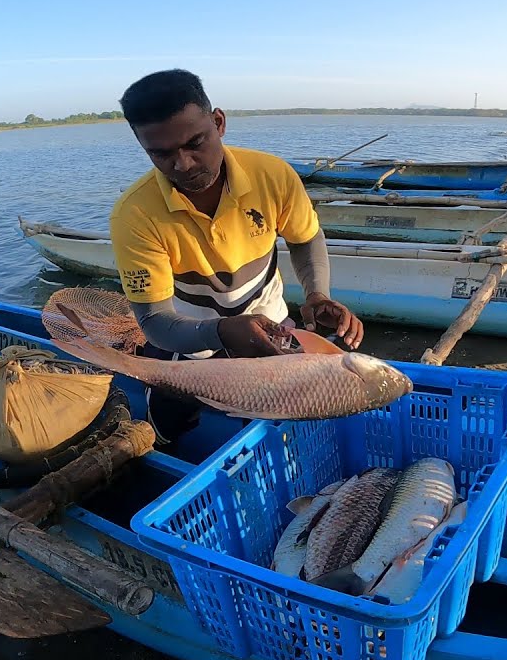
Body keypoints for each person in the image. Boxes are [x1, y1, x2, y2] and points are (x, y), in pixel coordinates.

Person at [109, 69, 364, 443]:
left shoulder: (272, 175)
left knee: (286, 423)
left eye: (195, 142)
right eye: (161, 154)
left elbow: (306, 239)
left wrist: (317, 294)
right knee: (168, 424)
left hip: (272, 330)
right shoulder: (135, 215)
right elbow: (155, 321)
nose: (183, 164)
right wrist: (220, 331)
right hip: (188, 341)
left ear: (219, 122)